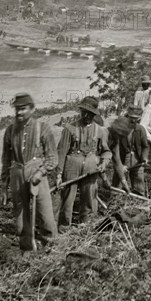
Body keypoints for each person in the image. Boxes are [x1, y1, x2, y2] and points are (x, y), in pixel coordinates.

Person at [0, 93, 58, 250]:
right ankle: (26, 249)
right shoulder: (10, 131)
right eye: (17, 109)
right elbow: (6, 160)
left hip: (37, 175)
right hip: (17, 174)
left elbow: (52, 158)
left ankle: (52, 248)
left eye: (23, 109)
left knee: (45, 215)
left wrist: (40, 173)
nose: (19, 113)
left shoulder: (43, 128)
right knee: (20, 218)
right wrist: (4, 187)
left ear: (32, 109)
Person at [56, 96, 111, 230]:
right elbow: (62, 152)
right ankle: (64, 229)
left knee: (90, 198)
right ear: (80, 111)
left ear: (94, 114)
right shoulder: (69, 129)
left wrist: (104, 163)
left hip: (91, 168)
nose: (86, 116)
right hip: (71, 168)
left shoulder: (101, 131)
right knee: (68, 200)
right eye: (84, 112)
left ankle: (87, 227)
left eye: (90, 114)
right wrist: (58, 174)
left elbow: (106, 151)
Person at [120, 107, 151, 195]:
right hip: (123, 159)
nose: (133, 121)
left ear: (138, 119)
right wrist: (120, 165)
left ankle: (139, 203)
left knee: (139, 186)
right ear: (127, 117)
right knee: (119, 186)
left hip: (137, 159)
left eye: (135, 119)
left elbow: (145, 146)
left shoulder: (141, 129)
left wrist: (144, 158)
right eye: (131, 118)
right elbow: (115, 149)